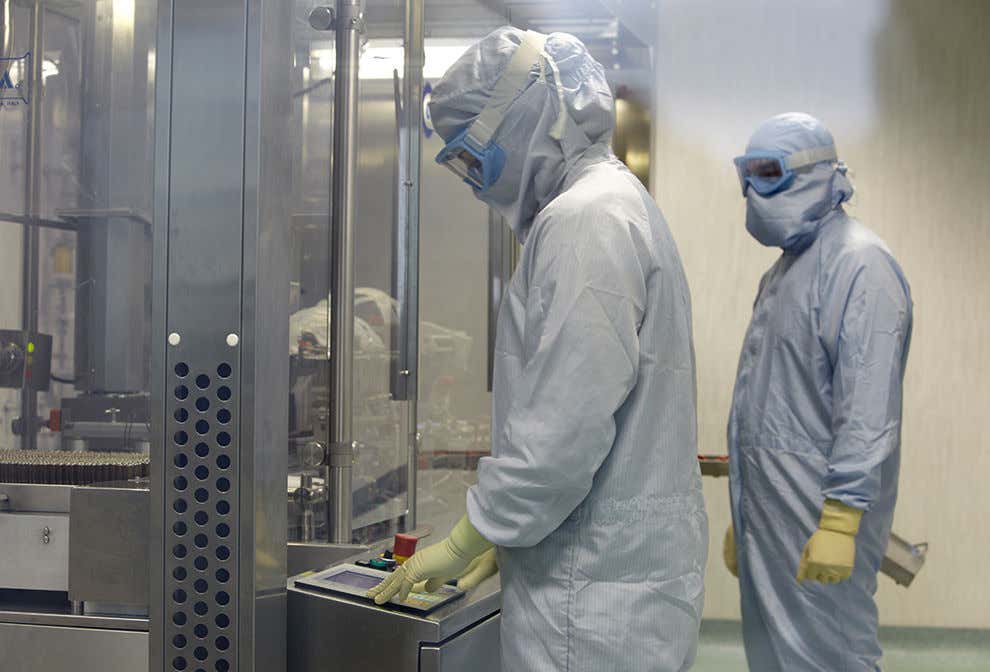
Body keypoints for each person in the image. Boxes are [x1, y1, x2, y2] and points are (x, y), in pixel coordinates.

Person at [369, 26, 708, 671]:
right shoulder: (615, 204)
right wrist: (507, 537)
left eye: (474, 156)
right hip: (614, 581)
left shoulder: (584, 220)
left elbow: (563, 430)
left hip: (588, 598)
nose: (474, 182)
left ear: (529, 118)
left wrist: (472, 536)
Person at [723, 112, 913, 671]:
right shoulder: (783, 273)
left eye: (769, 173)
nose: (754, 192)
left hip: (821, 515)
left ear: (817, 173)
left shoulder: (861, 265)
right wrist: (749, 509)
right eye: (747, 176)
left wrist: (841, 520)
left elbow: (868, 409)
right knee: (774, 656)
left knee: (832, 656)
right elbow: (772, 406)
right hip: (775, 516)